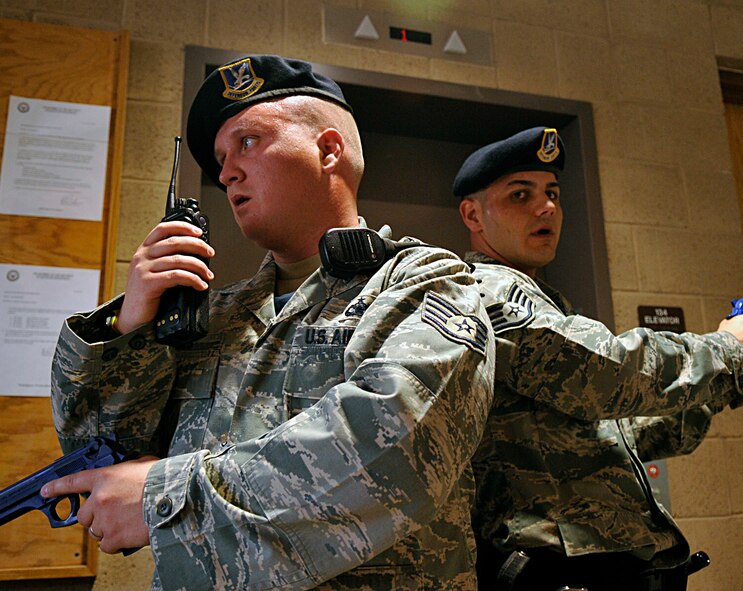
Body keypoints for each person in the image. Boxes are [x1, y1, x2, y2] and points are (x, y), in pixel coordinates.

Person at [43, 54, 495, 590]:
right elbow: (100, 460)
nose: (227, 170)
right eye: (219, 157)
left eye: (249, 142)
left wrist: (164, 496)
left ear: (328, 150)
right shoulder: (214, 318)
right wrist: (130, 327)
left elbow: (395, 452)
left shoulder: (425, 284)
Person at [453, 127, 743, 591]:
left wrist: (721, 384)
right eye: (521, 195)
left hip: (602, 564)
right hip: (558, 569)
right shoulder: (481, 290)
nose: (547, 208)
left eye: (553, 193)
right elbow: (604, 373)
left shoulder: (545, 300)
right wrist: (728, 351)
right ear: (472, 214)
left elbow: (623, 431)